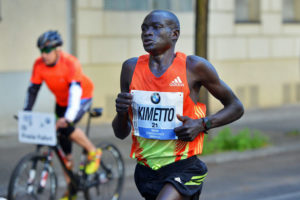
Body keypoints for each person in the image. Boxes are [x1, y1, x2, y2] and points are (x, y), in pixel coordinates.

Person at [112, 10, 244, 200]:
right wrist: (121, 112)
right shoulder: (130, 69)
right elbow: (121, 132)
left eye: (156, 28)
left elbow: (236, 107)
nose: (147, 33)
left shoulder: (193, 67)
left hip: (184, 168)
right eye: (144, 29)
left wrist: (202, 124)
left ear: (174, 34)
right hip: (146, 171)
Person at [24, 30, 102, 200]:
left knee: (66, 127)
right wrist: (26, 113)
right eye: (41, 51)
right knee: (63, 148)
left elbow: (75, 93)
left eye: (46, 51)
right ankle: (72, 190)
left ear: (57, 49)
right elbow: (33, 90)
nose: (43, 55)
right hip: (61, 102)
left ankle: (93, 151)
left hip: (82, 97)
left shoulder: (70, 63)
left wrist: (67, 118)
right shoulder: (39, 65)